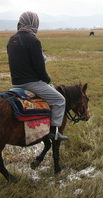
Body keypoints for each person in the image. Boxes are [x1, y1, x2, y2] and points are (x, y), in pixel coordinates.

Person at [6, 11, 68, 141]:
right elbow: (40, 68)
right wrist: (46, 79)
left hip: (15, 84)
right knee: (60, 100)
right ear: (35, 23)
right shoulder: (33, 40)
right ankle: (54, 132)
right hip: (31, 83)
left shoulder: (12, 39)